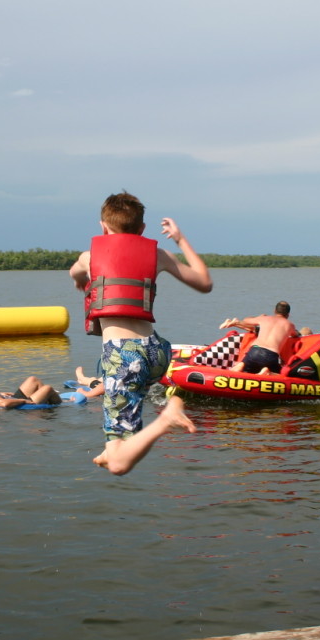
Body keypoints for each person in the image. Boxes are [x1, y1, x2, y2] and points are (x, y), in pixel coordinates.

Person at [69, 191, 213, 475]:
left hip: (124, 356)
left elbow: (74, 274)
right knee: (122, 435)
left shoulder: (88, 257)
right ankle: (114, 446)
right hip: (156, 351)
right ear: (142, 229)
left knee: (119, 465)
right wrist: (180, 239)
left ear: (103, 226)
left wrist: (81, 281)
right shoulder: (159, 254)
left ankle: (163, 421)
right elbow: (205, 283)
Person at [219, 301, 300, 375]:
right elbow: (295, 334)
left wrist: (258, 317)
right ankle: (268, 372)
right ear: (288, 315)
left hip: (254, 351)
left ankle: (242, 365)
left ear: (275, 311)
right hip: (271, 355)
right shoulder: (290, 325)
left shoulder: (265, 318)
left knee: (247, 369)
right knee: (281, 374)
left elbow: (246, 320)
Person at [0, 366, 65, 408]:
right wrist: (23, 401)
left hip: (14, 399)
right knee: (48, 388)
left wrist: (1, 394)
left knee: (33, 380)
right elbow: (3, 404)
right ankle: (63, 403)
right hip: (20, 406)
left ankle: (48, 398)